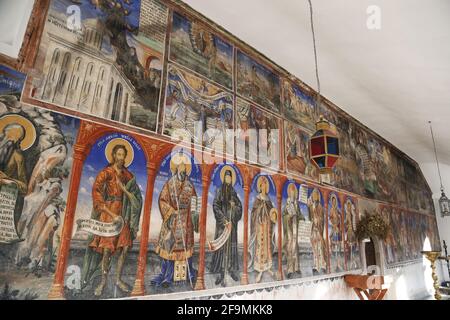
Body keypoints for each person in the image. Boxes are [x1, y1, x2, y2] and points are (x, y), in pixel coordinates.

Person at [81, 144, 143, 297]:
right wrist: (109, 212)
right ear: (114, 155)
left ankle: (118, 279)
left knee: (125, 248)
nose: (121, 158)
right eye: (119, 154)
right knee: (107, 249)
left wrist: (125, 191)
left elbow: (136, 198)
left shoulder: (128, 176)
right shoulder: (106, 173)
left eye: (124, 155)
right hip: (109, 212)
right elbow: (96, 191)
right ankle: (103, 281)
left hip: (124, 214)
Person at [152, 152, 198, 288]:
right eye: (181, 168)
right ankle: (168, 276)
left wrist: (195, 215)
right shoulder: (169, 184)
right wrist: (171, 211)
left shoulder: (190, 186)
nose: (183, 171)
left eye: (185, 169)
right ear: (176, 168)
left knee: (186, 250)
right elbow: (162, 200)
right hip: (172, 221)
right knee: (170, 248)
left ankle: (188, 274)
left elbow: (195, 204)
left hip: (186, 222)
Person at [209, 168, 242, 286]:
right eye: (227, 177)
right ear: (224, 178)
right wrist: (223, 219)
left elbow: (239, 207)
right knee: (222, 248)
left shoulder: (233, 193)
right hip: (223, 226)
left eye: (230, 178)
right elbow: (215, 205)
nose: (228, 179)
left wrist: (235, 208)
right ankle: (221, 273)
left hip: (231, 227)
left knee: (231, 248)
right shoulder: (219, 191)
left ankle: (231, 270)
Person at [248, 176, 277, 283]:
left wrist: (273, 216)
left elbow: (272, 213)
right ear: (260, 187)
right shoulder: (258, 198)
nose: (264, 188)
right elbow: (254, 213)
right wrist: (260, 209)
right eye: (262, 186)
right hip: (260, 227)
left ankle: (267, 267)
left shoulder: (268, 200)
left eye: (265, 186)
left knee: (267, 247)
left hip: (267, 227)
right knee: (260, 246)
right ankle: (260, 269)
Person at [282, 183, 304, 278]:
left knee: (296, 247)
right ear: (289, 193)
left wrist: (302, 219)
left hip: (295, 228)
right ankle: (290, 269)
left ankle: (296, 268)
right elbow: (283, 216)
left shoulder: (296, 204)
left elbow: (299, 214)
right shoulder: (287, 204)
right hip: (290, 229)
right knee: (290, 248)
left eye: (294, 192)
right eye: (291, 192)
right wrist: (288, 217)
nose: (293, 194)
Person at [307, 188, 327, 275]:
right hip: (313, 231)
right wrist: (309, 207)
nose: (315, 197)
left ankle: (322, 265)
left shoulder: (320, 207)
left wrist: (318, 220)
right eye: (313, 195)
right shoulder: (311, 206)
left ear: (318, 197)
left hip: (319, 230)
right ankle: (315, 266)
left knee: (320, 248)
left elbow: (322, 219)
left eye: (316, 195)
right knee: (314, 249)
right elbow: (309, 217)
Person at [329, 196, 343, 272]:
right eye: (333, 202)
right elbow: (330, 218)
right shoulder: (331, 210)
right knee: (335, 246)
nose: (334, 203)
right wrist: (334, 225)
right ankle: (335, 265)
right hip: (334, 228)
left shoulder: (337, 210)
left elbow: (340, 218)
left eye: (335, 202)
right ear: (332, 202)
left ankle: (339, 264)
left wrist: (339, 218)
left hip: (338, 229)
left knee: (339, 246)